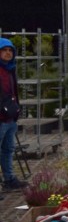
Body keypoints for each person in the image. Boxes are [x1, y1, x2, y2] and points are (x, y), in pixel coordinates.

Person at [0, 38, 27, 191]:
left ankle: (9, 179)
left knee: (8, 150)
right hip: (1, 118)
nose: (8, 53)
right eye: (4, 50)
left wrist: (16, 109)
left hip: (10, 118)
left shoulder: (10, 69)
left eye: (10, 50)